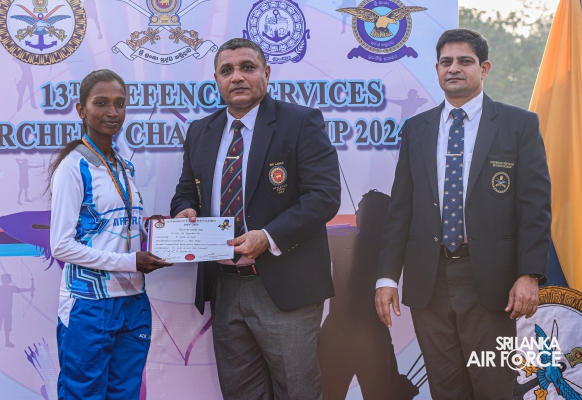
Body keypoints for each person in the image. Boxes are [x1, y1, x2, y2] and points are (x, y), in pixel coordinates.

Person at [375, 29, 551, 400]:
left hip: (491, 283)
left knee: (493, 386)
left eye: (465, 61)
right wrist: (387, 276)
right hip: (429, 281)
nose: (454, 68)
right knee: (445, 388)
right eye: (446, 62)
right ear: (437, 69)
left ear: (484, 68)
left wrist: (529, 273)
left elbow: (534, 206)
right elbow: (401, 208)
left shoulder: (518, 125)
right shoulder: (417, 129)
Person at [170, 38, 341, 399]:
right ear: (217, 80)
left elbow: (324, 196)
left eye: (247, 67)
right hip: (224, 286)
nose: (237, 77)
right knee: (241, 393)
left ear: (267, 73)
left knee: (297, 392)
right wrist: (184, 210)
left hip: (284, 285)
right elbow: (186, 191)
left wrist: (268, 237)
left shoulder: (300, 122)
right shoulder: (200, 131)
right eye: (227, 70)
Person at [48, 69, 173, 400]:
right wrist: (130, 261)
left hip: (132, 300)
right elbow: (61, 246)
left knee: (125, 393)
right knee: (83, 394)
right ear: (81, 109)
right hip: (89, 302)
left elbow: (113, 227)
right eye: (101, 103)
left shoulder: (122, 166)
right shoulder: (73, 167)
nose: (112, 112)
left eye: (119, 103)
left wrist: (158, 230)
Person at [0, 273, 34, 348]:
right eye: (8, 278)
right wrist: (30, 289)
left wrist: (30, 289)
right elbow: (20, 290)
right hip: (3, 311)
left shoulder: (10, 288)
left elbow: (20, 290)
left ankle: (7, 342)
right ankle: (7, 342)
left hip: (7, 311)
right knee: (7, 327)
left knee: (7, 327)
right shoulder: (7, 288)